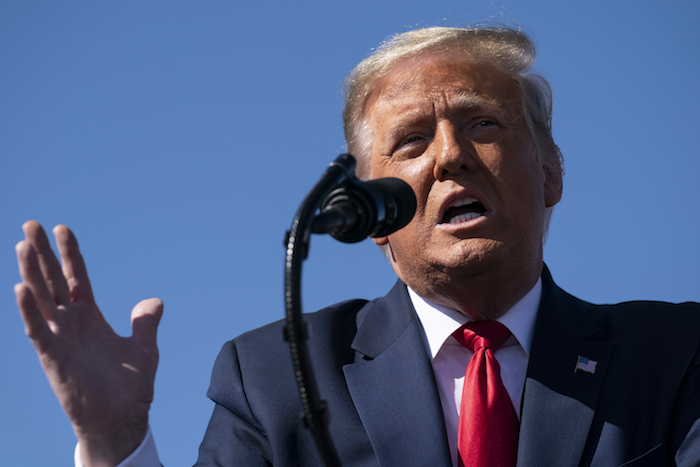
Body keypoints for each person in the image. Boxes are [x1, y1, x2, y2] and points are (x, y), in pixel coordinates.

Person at [14, 25, 700, 467]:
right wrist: (115, 443)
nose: (450, 156)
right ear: (371, 211)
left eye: (483, 123)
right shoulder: (275, 375)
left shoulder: (673, 354)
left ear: (550, 171)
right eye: (411, 141)